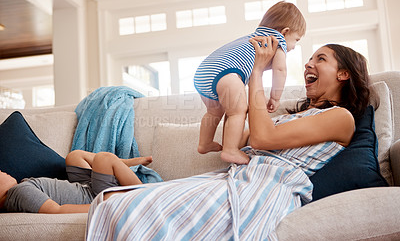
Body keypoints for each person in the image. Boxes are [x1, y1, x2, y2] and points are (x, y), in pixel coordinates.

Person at [85, 37, 374, 240]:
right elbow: (245, 135)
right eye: (309, 58)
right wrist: (228, 95)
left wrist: (257, 70)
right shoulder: (295, 115)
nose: (309, 64)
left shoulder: (341, 117)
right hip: (237, 177)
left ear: (343, 74)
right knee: (111, 201)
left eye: (320, 59)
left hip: (264, 189)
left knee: (131, 209)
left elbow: (261, 139)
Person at [194, 1, 306, 164]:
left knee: (214, 112)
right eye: (296, 40)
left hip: (204, 72)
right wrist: (275, 97)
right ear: (285, 32)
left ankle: (204, 143)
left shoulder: (252, 37)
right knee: (238, 111)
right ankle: (230, 150)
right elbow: (280, 70)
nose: (294, 47)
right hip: (226, 74)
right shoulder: (277, 41)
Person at [0, 150, 152, 213]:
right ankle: (145, 193)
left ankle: (124, 164)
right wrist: (103, 202)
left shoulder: (18, 191)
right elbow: (57, 211)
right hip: (93, 195)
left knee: (74, 156)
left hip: (84, 187)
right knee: (103, 158)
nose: (2, 171)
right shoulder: (19, 192)